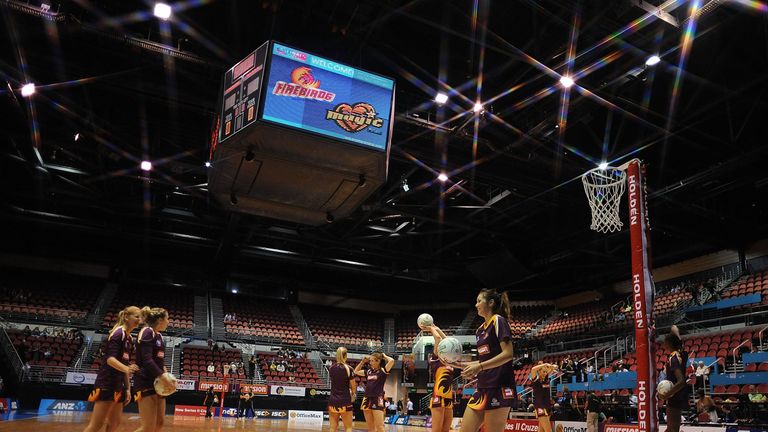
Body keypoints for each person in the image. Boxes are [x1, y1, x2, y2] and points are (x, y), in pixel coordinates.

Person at [460, 289, 517, 432]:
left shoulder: (498, 320)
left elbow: (508, 354)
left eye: (479, 301)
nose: (476, 304)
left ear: (490, 303)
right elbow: (484, 359)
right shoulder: (479, 330)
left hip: (499, 387)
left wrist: (479, 367)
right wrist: (463, 365)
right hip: (482, 388)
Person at [82, 306, 141, 432]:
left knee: (114, 423)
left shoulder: (129, 338)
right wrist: (127, 368)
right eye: (136, 316)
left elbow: (124, 365)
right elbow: (110, 359)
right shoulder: (118, 333)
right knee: (96, 425)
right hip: (107, 383)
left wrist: (128, 389)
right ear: (126, 316)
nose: (139, 320)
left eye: (140, 317)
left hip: (118, 386)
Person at [133, 306, 173, 432]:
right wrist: (162, 376)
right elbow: (147, 360)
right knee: (147, 427)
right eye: (167, 318)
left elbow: (159, 361)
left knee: (159, 423)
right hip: (145, 380)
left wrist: (167, 376)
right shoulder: (147, 331)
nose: (168, 321)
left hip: (158, 383)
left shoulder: (159, 336)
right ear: (160, 320)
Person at [422, 324, 455, 432]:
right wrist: (431, 328)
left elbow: (448, 342)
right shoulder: (436, 359)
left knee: (446, 430)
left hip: (449, 398)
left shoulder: (449, 360)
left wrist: (438, 328)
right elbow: (437, 338)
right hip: (438, 396)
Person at [354, 352, 395, 432]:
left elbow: (392, 361)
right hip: (366, 399)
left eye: (372, 361)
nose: (371, 362)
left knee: (380, 427)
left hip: (378, 398)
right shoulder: (368, 371)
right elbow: (356, 371)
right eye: (370, 361)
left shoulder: (383, 370)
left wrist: (384, 356)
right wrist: (362, 362)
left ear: (378, 361)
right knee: (370, 428)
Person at [658, 331, 689, 432]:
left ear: (670, 343)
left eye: (665, 342)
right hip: (675, 396)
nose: (664, 344)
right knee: (670, 429)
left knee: (673, 429)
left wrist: (667, 394)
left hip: (675, 396)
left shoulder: (674, 358)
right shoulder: (680, 354)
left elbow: (681, 381)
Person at [328, 347, 356, 432]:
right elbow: (353, 386)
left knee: (333, 428)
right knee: (348, 427)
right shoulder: (349, 369)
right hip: (345, 400)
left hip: (333, 400)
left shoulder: (331, 368)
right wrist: (353, 395)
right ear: (345, 355)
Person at [530, 362, 557, 432]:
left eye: (546, 372)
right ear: (539, 372)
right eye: (543, 372)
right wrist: (545, 365)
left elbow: (555, 367)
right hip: (540, 406)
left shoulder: (546, 379)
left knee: (541, 430)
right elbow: (533, 369)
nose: (545, 373)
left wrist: (551, 366)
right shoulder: (536, 380)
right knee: (548, 430)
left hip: (547, 406)